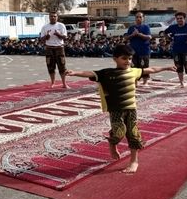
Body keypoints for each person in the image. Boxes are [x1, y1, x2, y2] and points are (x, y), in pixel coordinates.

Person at [66, 44, 176, 173]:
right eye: (124, 58)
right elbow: (90, 73)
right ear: (115, 59)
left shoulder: (134, 71)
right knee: (119, 133)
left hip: (131, 109)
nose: (128, 61)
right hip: (116, 110)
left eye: (130, 58)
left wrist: (166, 67)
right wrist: (75, 73)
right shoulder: (107, 73)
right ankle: (113, 143)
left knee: (133, 134)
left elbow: (150, 69)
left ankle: (134, 161)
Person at [164, 12, 187, 89]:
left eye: (181, 18)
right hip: (176, 50)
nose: (179, 20)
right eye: (178, 19)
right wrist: (170, 39)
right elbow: (165, 33)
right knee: (179, 67)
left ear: (184, 19)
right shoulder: (173, 27)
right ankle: (181, 83)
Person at [40, 11, 68, 88]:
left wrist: (58, 34)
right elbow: (42, 39)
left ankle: (64, 83)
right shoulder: (45, 27)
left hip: (59, 48)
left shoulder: (61, 25)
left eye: (54, 16)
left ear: (57, 17)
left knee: (62, 65)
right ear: (49, 17)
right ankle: (52, 83)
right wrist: (47, 36)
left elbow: (65, 37)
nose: (53, 17)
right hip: (49, 48)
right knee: (50, 66)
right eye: (51, 16)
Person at [125, 11, 152, 85]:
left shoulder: (146, 27)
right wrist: (133, 34)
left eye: (140, 17)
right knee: (134, 67)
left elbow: (149, 37)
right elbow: (126, 38)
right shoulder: (131, 28)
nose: (138, 18)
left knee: (144, 67)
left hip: (144, 51)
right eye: (137, 17)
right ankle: (135, 82)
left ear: (143, 18)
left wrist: (139, 34)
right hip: (133, 51)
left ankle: (145, 82)